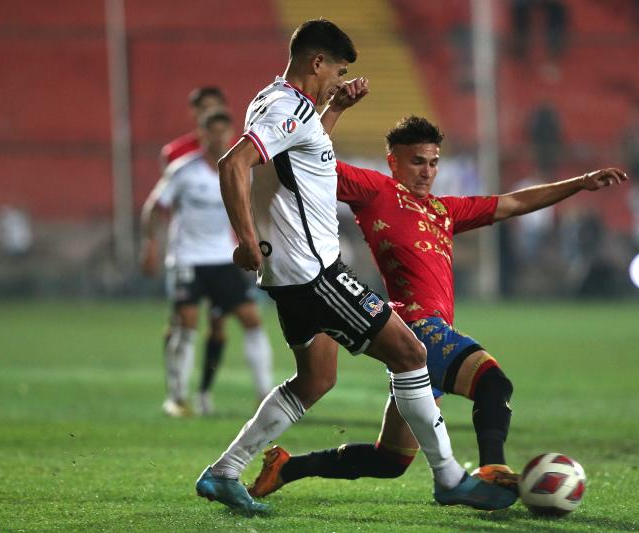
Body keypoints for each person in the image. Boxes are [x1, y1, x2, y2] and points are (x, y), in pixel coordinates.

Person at [194, 18, 516, 516]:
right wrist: (245, 241)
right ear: (315, 62)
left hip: (292, 277)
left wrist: (335, 108)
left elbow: (305, 158)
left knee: (316, 379)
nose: (336, 80)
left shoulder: (282, 105)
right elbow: (233, 164)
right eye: (336, 71)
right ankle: (450, 478)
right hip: (314, 272)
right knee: (410, 354)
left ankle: (224, 471)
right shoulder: (286, 109)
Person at [247, 109, 628, 498]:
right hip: (416, 328)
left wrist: (579, 184)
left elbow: (511, 203)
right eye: (417, 162)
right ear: (393, 160)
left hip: (418, 341)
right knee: (493, 383)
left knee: (390, 460)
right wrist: (329, 112)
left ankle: (287, 467)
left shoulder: (444, 211)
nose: (427, 172)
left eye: (433, 163)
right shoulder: (377, 190)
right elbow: (312, 160)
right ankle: (493, 468)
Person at [140, 110, 274, 416]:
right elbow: (153, 208)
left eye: (223, 132)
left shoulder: (240, 169)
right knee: (186, 324)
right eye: (211, 132)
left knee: (252, 320)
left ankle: (264, 395)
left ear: (230, 135)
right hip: (187, 259)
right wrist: (150, 245)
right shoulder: (183, 171)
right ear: (201, 135)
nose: (218, 138)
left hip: (223, 258)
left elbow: (252, 210)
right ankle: (176, 398)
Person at [152, 86, 240, 415]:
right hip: (188, 252)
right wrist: (157, 244)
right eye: (205, 109)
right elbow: (166, 203)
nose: (211, 113)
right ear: (197, 117)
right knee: (181, 320)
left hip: (222, 251)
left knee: (225, 323)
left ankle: (204, 391)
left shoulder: (236, 154)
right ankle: (176, 391)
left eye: (217, 107)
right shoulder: (177, 154)